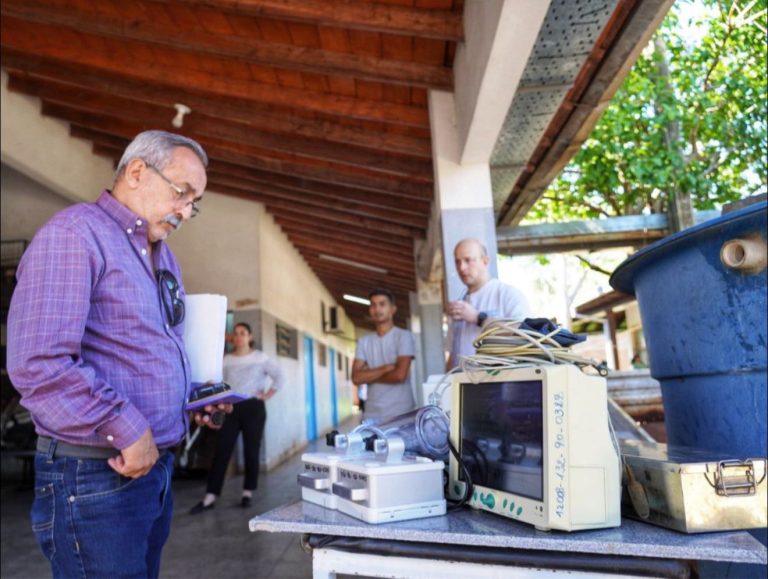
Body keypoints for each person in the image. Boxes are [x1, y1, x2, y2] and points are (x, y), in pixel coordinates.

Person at [6, 130, 231, 579]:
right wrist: (129, 428)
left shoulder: (162, 257)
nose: (187, 211)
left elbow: (147, 350)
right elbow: (38, 364)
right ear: (136, 172)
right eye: (182, 193)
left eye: (195, 203)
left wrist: (193, 396)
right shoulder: (74, 235)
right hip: (94, 474)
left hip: (153, 470)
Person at [190, 322, 284, 513]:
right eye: (236, 333)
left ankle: (247, 492)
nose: (239, 336)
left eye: (243, 333)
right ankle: (210, 496)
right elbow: (218, 382)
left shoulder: (260, 357)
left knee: (251, 451)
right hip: (230, 409)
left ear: (250, 337)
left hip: (253, 408)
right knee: (222, 450)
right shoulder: (226, 360)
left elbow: (280, 376)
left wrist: (266, 394)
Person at [445, 238, 531, 370]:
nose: (461, 267)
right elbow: (452, 354)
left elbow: (525, 334)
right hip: (463, 383)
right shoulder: (459, 304)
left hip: (500, 382)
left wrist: (478, 318)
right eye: (457, 261)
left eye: (468, 260)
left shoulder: (507, 294)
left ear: (485, 261)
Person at [352, 289, 416, 423]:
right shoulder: (364, 341)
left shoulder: (404, 337)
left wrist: (369, 375)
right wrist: (385, 368)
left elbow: (400, 375)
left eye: (382, 304)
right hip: (371, 414)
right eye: (373, 305)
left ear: (393, 309)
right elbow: (356, 378)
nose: (377, 309)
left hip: (401, 413)